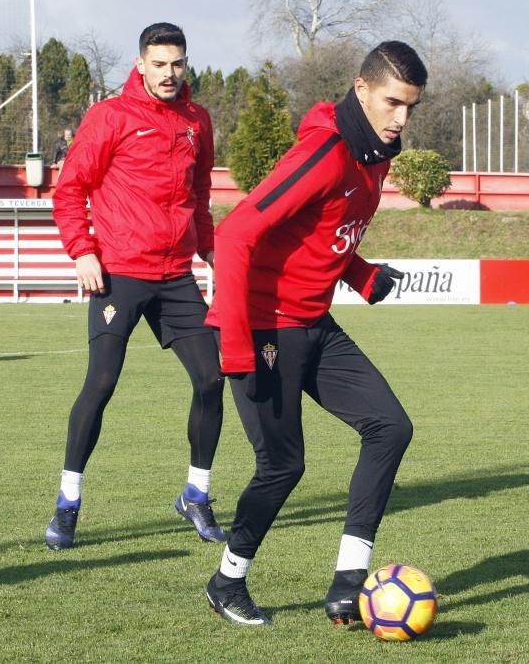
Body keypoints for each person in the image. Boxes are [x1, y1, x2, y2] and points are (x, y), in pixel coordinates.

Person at [203, 41, 427, 626]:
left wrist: (361, 273)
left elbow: (320, 230)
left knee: (390, 428)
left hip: (314, 325)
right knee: (282, 466)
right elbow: (235, 236)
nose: (401, 118)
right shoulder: (326, 150)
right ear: (361, 91)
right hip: (261, 328)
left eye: (410, 107)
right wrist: (233, 343)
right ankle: (227, 583)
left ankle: (350, 580)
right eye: (392, 103)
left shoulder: (375, 152)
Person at [45, 22, 226, 550]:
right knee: (101, 384)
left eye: (178, 63)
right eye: (160, 63)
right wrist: (82, 250)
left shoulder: (198, 120)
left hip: (176, 276)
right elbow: (69, 190)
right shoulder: (110, 117)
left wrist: (209, 248)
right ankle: (68, 503)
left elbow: (199, 192)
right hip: (119, 270)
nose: (170, 73)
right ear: (141, 64)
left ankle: (196, 494)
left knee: (212, 380)